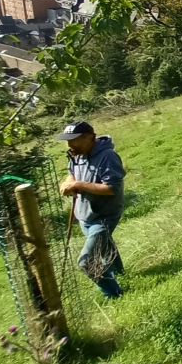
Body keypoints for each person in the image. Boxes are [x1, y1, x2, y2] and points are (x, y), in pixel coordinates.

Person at [56, 121, 127, 297]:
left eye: (73, 140)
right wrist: (68, 183)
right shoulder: (77, 155)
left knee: (86, 262)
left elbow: (112, 188)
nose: (69, 145)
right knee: (104, 245)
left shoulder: (108, 157)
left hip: (104, 215)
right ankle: (119, 274)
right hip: (85, 215)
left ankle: (114, 294)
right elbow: (71, 173)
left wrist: (79, 184)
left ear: (89, 138)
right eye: (67, 140)